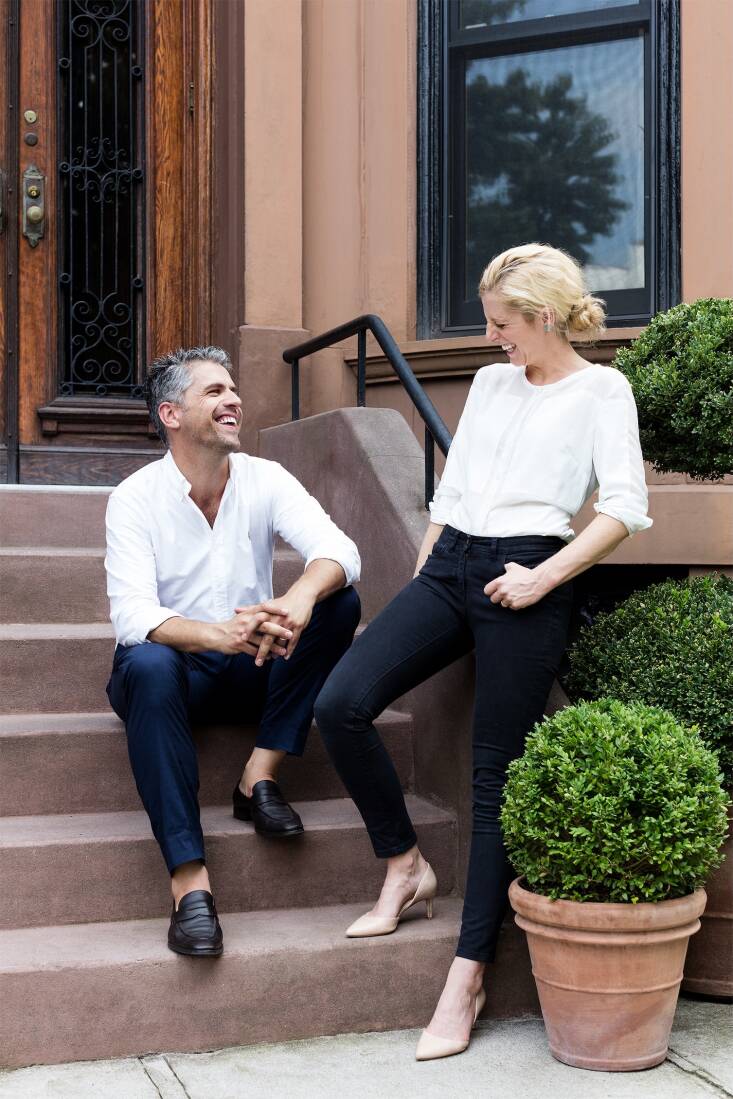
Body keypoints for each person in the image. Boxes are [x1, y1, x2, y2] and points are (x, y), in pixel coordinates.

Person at [314, 243, 652, 1060]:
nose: (492, 338)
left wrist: (541, 578)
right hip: (453, 561)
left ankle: (466, 974)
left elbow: (624, 507)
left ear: (543, 317)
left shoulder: (602, 388)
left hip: (532, 568)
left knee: (493, 773)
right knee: (342, 702)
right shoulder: (494, 382)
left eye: (502, 324)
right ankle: (403, 865)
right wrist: (431, 580)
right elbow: (453, 489)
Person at [105, 346, 361, 957]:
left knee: (338, 601)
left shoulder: (265, 478)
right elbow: (133, 614)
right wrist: (218, 633)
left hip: (253, 664)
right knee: (147, 660)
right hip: (177, 672)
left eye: (233, 389)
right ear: (171, 413)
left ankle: (258, 777)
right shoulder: (134, 498)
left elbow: (341, 550)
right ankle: (190, 886)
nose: (234, 401)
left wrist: (297, 598)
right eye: (215, 392)